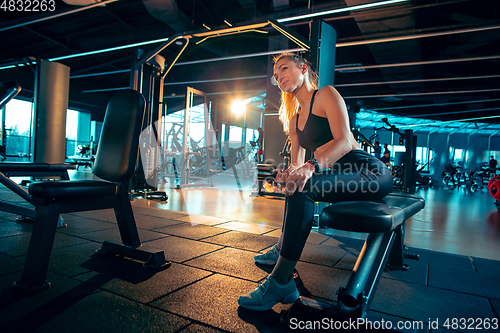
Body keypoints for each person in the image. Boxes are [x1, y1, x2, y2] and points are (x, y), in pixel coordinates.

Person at [237, 53, 393, 311]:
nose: (279, 77)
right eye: (276, 76)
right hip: (338, 177)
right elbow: (298, 166)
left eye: (284, 69)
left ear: (303, 69)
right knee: (296, 185)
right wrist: (288, 175)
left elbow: (344, 142)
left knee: (305, 183)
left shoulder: (326, 95)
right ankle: (281, 248)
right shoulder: (295, 119)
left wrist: (312, 166)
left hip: (369, 172)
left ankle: (280, 281)